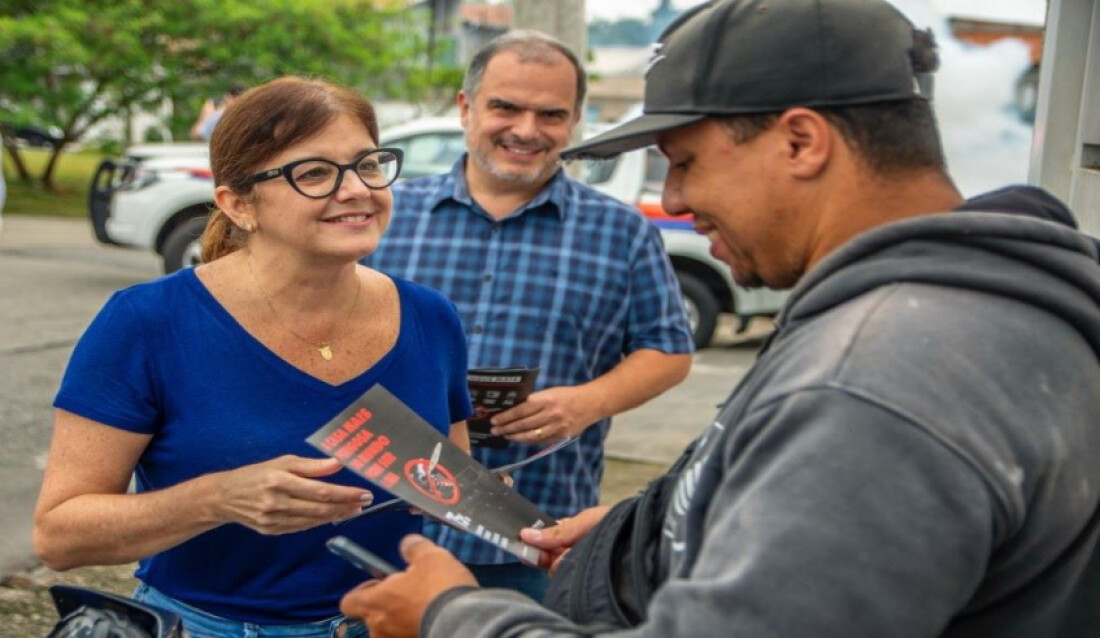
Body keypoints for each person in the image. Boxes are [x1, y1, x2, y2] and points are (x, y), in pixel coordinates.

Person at [339, 0, 1100, 636]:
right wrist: (635, 533)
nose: (671, 199)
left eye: (686, 160)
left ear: (801, 141)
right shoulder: (950, 317)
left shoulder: (870, 380)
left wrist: (451, 617)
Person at [33, 76, 473, 637]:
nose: (357, 189)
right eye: (313, 173)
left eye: (367, 163)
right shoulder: (147, 322)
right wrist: (218, 498)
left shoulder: (431, 317)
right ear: (238, 204)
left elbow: (450, 475)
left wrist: (479, 501)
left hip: (389, 623)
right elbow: (59, 535)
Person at [361, 29, 694, 600]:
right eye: (506, 107)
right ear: (466, 107)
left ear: (575, 120)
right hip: (392, 520)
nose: (526, 130)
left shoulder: (622, 232)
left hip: (538, 532)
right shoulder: (385, 215)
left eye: (551, 114)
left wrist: (588, 403)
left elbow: (669, 350)